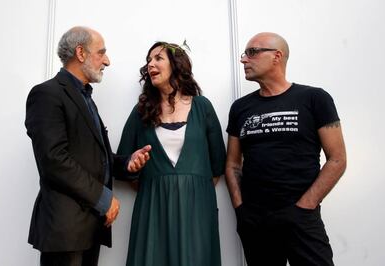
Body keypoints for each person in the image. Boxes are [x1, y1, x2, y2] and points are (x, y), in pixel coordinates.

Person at [25, 26, 151, 266]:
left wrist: (128, 163)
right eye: (101, 52)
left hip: (91, 227)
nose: (107, 61)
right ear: (80, 53)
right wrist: (103, 198)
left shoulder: (86, 98)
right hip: (65, 230)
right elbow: (54, 160)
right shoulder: (46, 94)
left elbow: (97, 158)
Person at [225, 32, 347, 266]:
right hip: (255, 220)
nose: (243, 60)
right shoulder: (240, 108)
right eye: (244, 54)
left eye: (251, 52)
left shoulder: (314, 98)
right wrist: (241, 208)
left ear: (276, 56)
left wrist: (305, 206)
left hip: (300, 216)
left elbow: (337, 159)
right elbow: (232, 163)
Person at [117, 41, 226, 266]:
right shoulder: (141, 112)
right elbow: (121, 162)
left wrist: (190, 187)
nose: (151, 64)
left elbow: (218, 165)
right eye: (148, 60)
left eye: (158, 58)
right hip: (152, 210)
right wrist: (155, 183)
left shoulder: (202, 107)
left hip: (197, 210)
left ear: (176, 65)